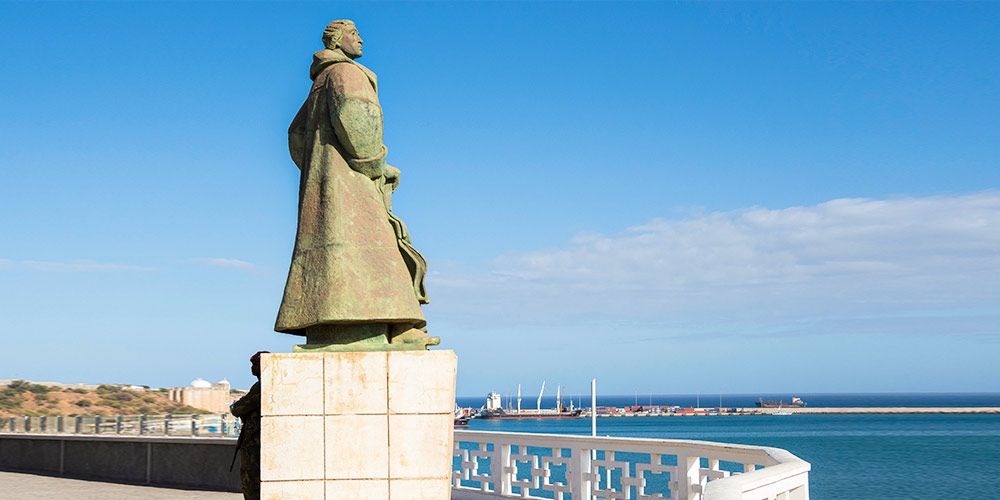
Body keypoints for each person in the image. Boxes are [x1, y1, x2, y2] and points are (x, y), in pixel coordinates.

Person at [276, 19, 437, 349]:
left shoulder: (322, 79)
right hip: (354, 183)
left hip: (332, 184)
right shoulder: (346, 74)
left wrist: (317, 170)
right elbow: (357, 117)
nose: (361, 40)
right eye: (354, 35)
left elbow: (296, 134)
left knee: (347, 256)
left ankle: (344, 329)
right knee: (375, 253)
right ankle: (377, 329)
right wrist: (375, 164)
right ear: (337, 42)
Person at [230, 351, 267, 500]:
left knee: (251, 483)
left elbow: (239, 408)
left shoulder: (262, 386)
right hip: (254, 439)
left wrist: (236, 406)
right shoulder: (260, 385)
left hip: (255, 441)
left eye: (255, 364)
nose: (252, 368)